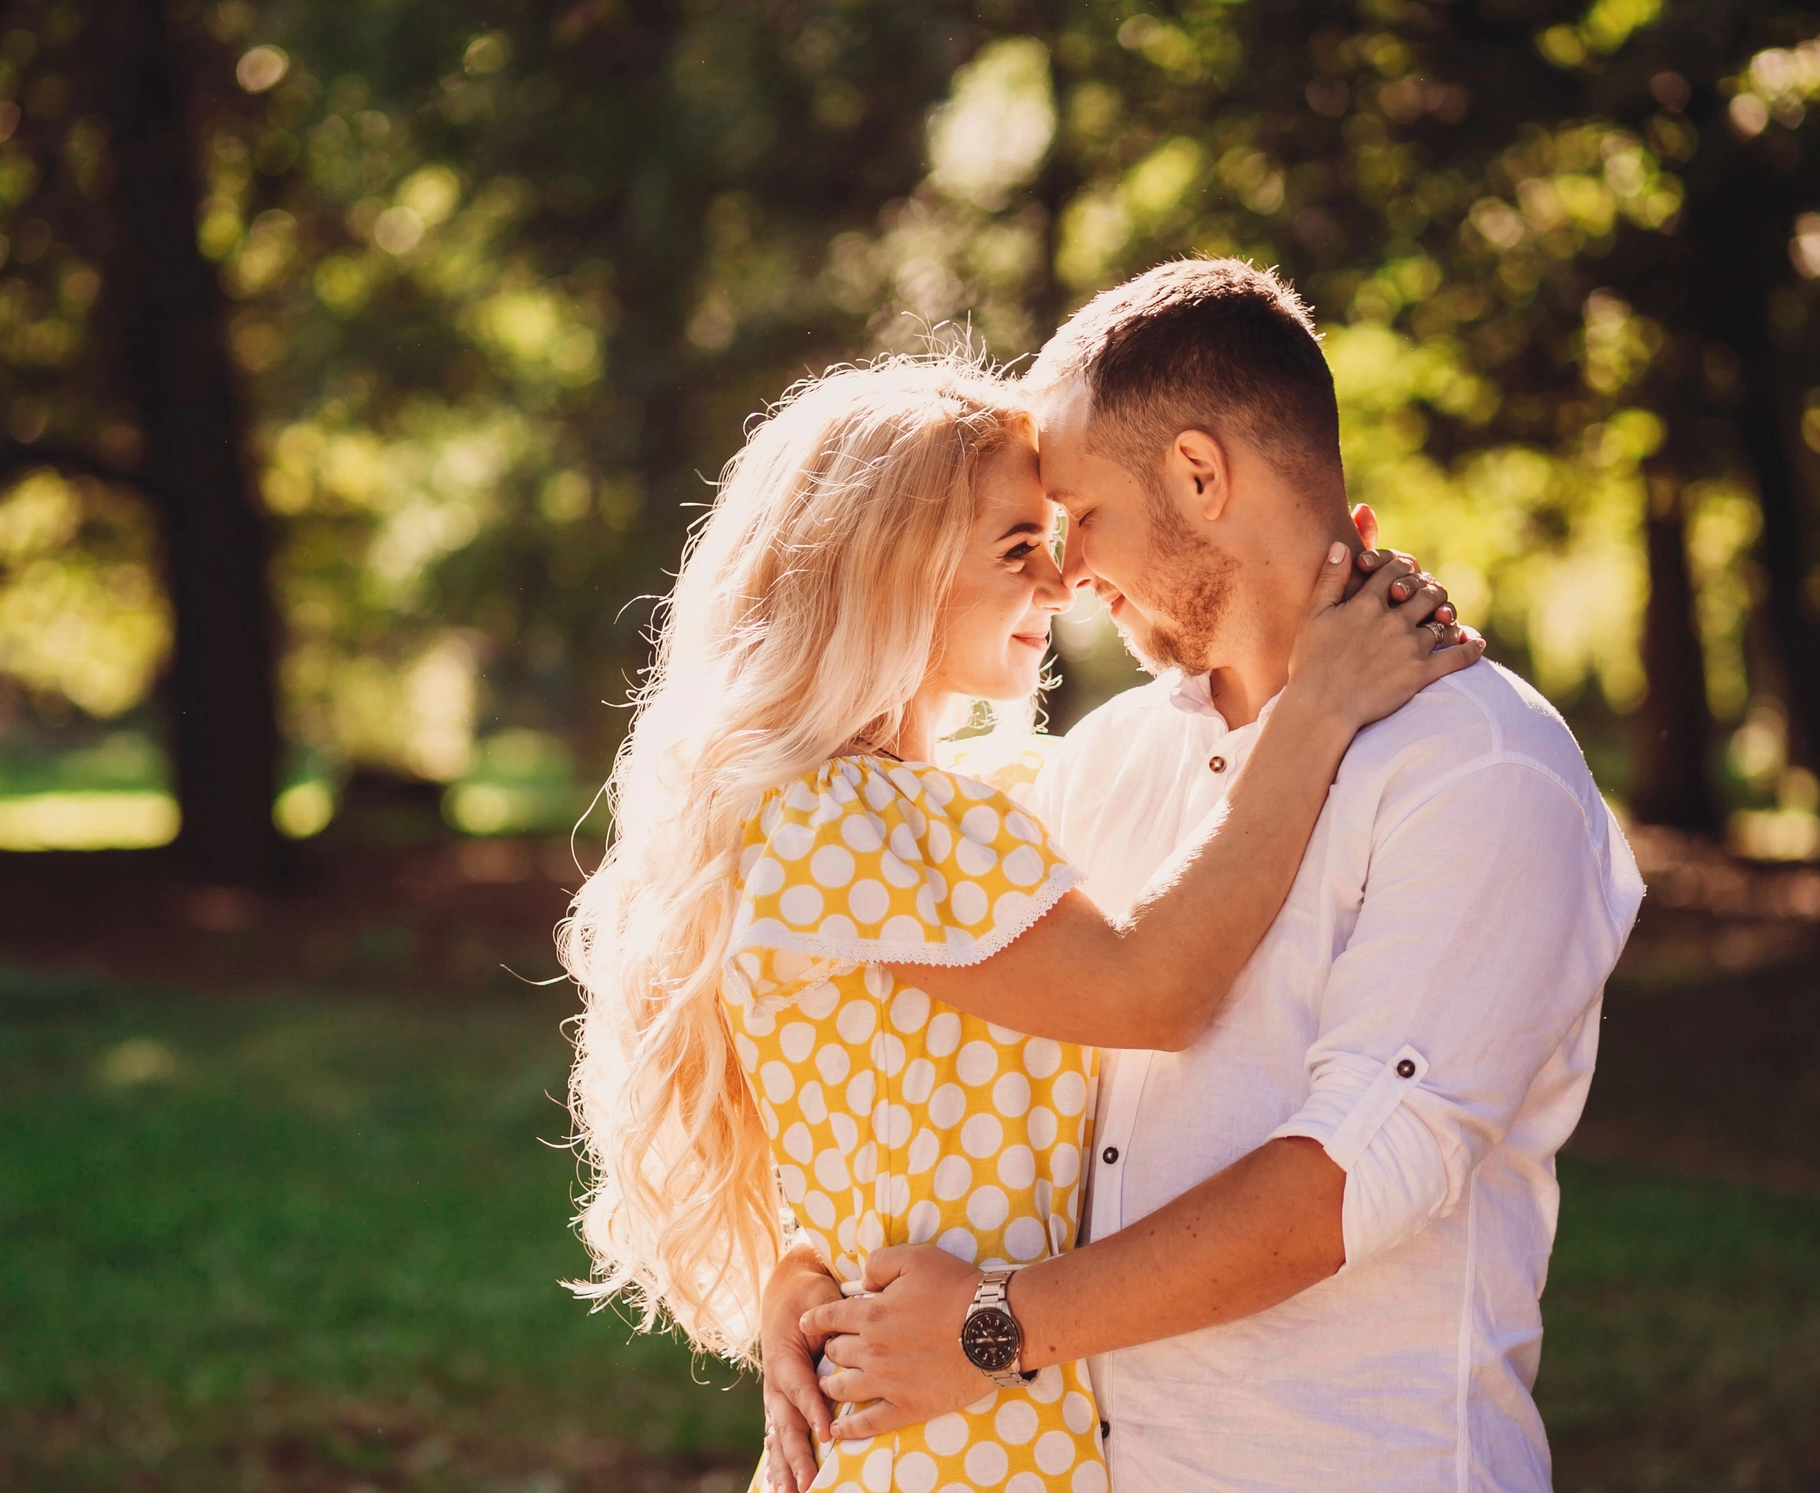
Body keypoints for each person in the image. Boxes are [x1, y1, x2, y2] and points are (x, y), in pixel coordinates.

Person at [756, 260, 1647, 1493]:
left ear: (1196, 474)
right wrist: (805, 1279)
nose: (1062, 576)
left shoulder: (1481, 767)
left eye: (1077, 515)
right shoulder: (1106, 763)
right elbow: (937, 1076)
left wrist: (992, 1327)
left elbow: (1346, 1178)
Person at [559, 352, 1481, 1493]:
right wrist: (1322, 705)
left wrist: (802, 1270)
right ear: (882, 573)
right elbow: (1148, 990)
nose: (1057, 581)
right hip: (943, 1445)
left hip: (1007, 1428)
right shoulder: (829, 818)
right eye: (1014, 548)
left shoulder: (972, 799)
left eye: (1055, 534)